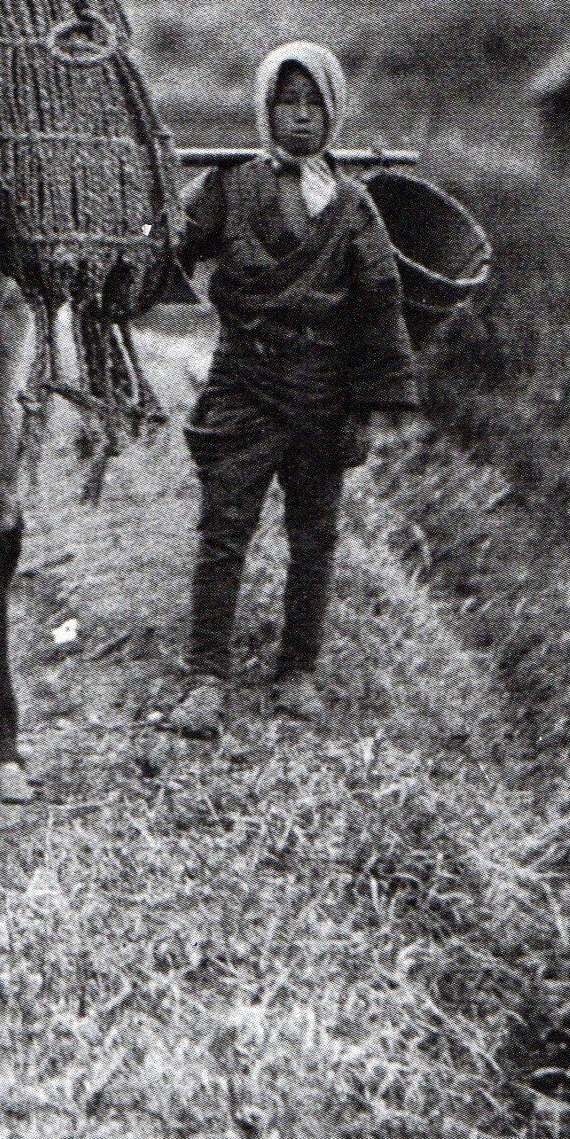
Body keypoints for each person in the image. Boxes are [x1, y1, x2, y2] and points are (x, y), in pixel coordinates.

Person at [168, 42, 418, 741]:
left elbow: (381, 304)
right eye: (287, 102)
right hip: (242, 385)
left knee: (315, 539)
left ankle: (296, 671)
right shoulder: (226, 187)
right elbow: (170, 248)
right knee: (223, 534)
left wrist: (369, 407)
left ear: (332, 111)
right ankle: (205, 677)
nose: (301, 117)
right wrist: (153, 223)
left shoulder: (354, 205)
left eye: (313, 103)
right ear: (265, 108)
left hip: (323, 395)